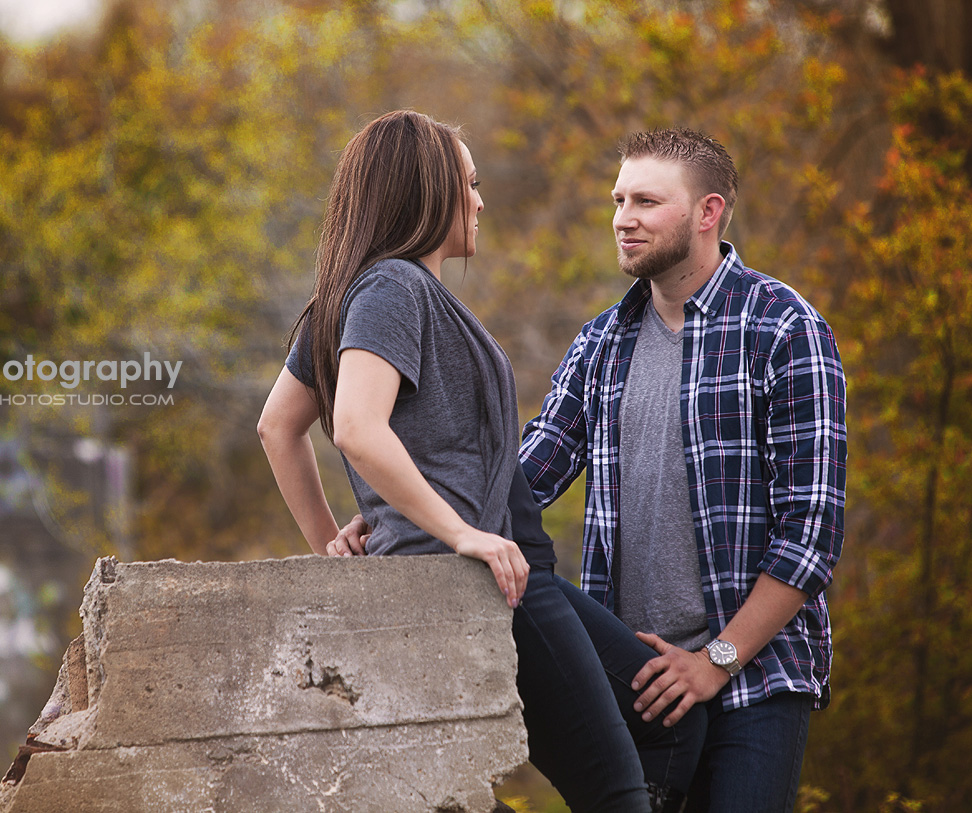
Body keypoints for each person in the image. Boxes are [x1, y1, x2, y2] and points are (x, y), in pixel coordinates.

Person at [258, 110, 701, 813]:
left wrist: (335, 541)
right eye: (467, 183)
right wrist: (457, 531)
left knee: (667, 714)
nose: (479, 200)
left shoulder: (357, 292)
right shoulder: (393, 289)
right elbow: (355, 428)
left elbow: (278, 426)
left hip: (507, 567)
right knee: (620, 786)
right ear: (426, 192)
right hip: (488, 574)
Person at [519, 128, 847, 811]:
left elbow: (810, 536)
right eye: (618, 199)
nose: (623, 217)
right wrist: (394, 515)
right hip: (639, 688)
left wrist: (714, 662)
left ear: (709, 212)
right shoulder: (601, 342)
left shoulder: (784, 328)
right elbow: (525, 479)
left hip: (754, 678)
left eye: (646, 200)